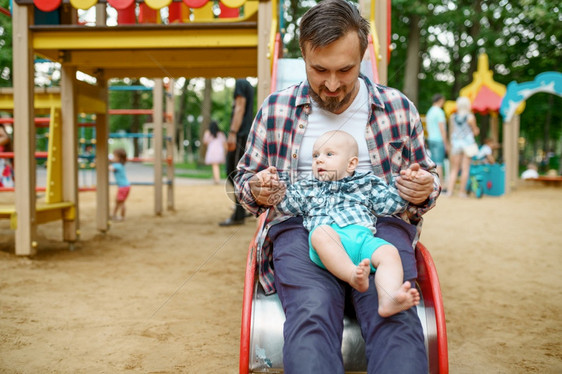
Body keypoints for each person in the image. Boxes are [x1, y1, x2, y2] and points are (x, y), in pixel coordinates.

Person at [234, 1, 439, 372]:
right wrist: (258, 190)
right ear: (303, 57)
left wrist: (422, 188)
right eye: (319, 70)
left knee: (394, 314)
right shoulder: (276, 108)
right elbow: (246, 180)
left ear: (363, 56)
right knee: (311, 312)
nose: (331, 84)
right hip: (302, 227)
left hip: (377, 223)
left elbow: (426, 177)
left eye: (345, 70)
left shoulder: (397, 107)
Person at [274, 130, 420, 317]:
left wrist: (406, 184)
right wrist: (274, 189)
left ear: (351, 164)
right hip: (329, 245)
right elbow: (288, 204)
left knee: (390, 253)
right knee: (320, 233)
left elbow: (389, 204)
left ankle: (388, 299)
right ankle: (352, 274)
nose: (319, 160)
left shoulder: (367, 183)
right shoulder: (307, 186)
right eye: (315, 155)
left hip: (363, 240)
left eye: (329, 154)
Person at [219, 78, 255, 226]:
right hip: (244, 134)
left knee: (233, 173)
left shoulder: (240, 83)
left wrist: (232, 133)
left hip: (240, 135)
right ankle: (242, 209)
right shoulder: (247, 84)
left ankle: (239, 214)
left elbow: (240, 107)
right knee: (237, 174)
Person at [445, 96, 480, 197]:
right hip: (467, 145)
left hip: (456, 144)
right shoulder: (470, 117)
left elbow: (452, 132)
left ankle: (450, 191)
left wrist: (450, 145)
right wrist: (476, 129)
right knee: (465, 169)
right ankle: (461, 192)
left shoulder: (453, 117)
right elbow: (475, 131)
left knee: (454, 169)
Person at [425, 93, 449, 185]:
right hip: (439, 140)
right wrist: (446, 143)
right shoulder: (439, 112)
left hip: (431, 139)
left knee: (433, 164)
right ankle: (440, 185)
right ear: (440, 100)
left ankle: (433, 184)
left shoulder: (430, 112)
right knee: (439, 164)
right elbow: (442, 129)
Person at [109, 148, 130, 221]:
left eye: (114, 156)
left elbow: (110, 168)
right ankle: (113, 214)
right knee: (118, 201)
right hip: (124, 186)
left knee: (121, 202)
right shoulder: (120, 165)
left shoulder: (117, 165)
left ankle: (122, 216)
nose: (113, 158)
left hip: (123, 187)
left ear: (119, 158)